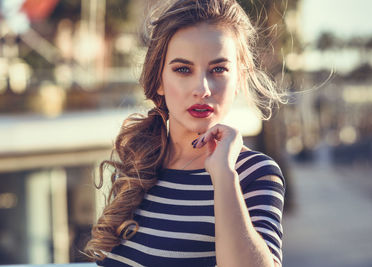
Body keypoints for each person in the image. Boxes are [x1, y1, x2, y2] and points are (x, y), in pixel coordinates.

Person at [85, 0, 286, 266]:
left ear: (240, 79)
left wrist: (224, 175)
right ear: (158, 80)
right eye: (183, 69)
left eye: (218, 69)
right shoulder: (139, 162)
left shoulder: (255, 173)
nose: (202, 88)